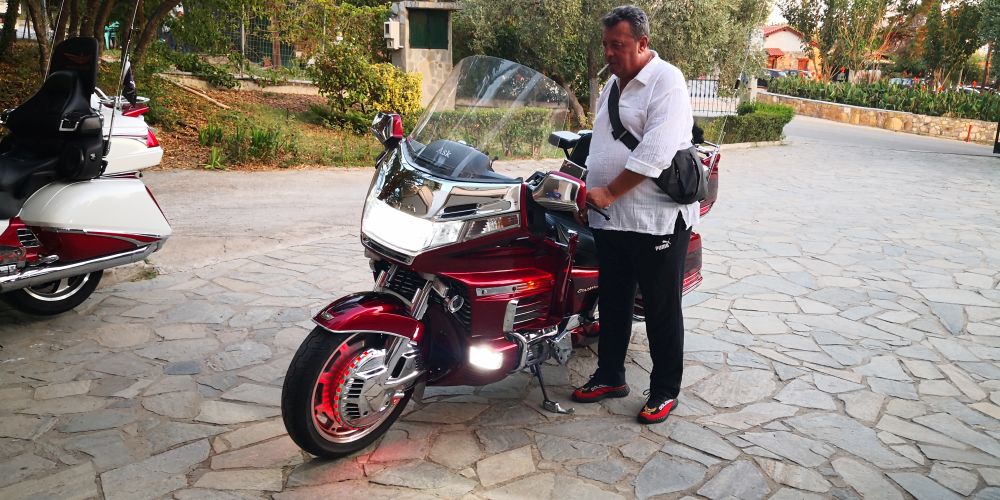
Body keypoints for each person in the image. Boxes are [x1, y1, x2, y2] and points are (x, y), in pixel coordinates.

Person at [570, 5, 696, 425]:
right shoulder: (613, 83)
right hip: (612, 219)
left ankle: (664, 390)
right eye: (606, 45)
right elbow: (602, 142)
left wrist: (608, 192)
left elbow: (656, 152)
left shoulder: (666, 80)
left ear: (642, 43)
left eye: (618, 45)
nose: (609, 53)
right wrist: (586, 186)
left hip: (655, 220)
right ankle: (610, 376)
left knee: (661, 308)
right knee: (614, 301)